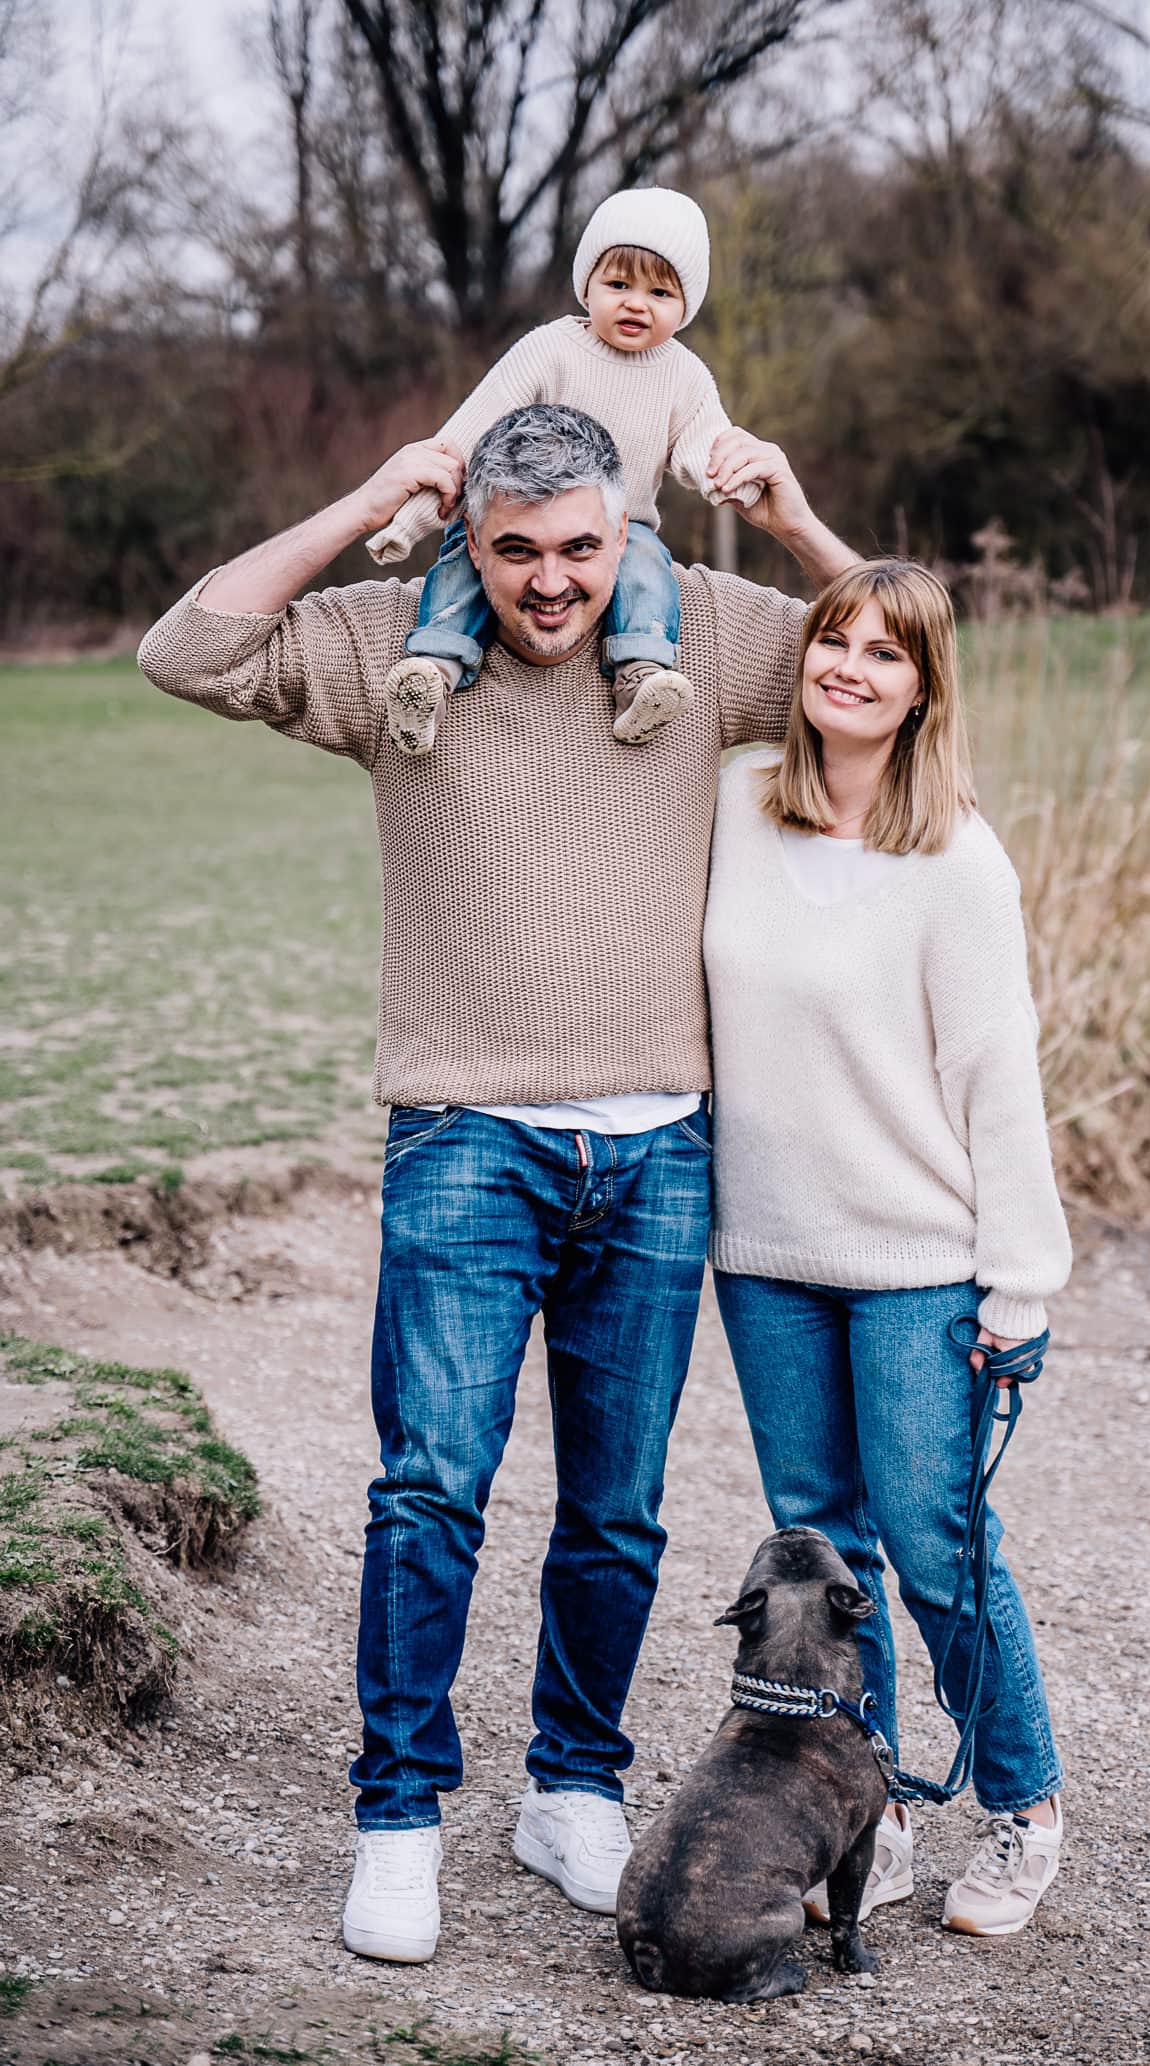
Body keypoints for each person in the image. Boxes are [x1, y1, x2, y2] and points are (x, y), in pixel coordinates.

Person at [136, 402, 857, 1965]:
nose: (551, 583)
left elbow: (903, 668)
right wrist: (372, 497)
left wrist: (797, 521)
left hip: (661, 1141)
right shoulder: (394, 643)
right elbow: (183, 651)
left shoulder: (703, 636)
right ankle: (396, 1815)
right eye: (516, 549)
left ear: (630, 536)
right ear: (471, 536)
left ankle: (570, 1790)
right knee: (431, 1485)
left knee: (616, 1508)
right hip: (467, 1133)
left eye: (584, 549)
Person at [703, 559, 1073, 1940]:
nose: (850, 666)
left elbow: (996, 1075)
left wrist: (1019, 1278)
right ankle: (876, 1812)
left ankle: (1026, 1808)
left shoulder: (958, 861)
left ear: (925, 690)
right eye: (832, 641)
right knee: (822, 1556)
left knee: (937, 1546)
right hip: (767, 1253)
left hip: (918, 1259)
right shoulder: (738, 805)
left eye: (886, 653)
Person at [365, 185, 761, 759]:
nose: (636, 304)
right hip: (517, 516)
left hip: (622, 529)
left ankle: (640, 675)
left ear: (686, 305)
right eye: (618, 284)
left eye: (660, 292)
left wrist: (737, 478)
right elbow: (465, 437)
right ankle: (432, 672)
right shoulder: (549, 350)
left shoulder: (685, 376)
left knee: (649, 570)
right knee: (463, 563)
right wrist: (410, 519)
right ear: (587, 285)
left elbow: (709, 446)